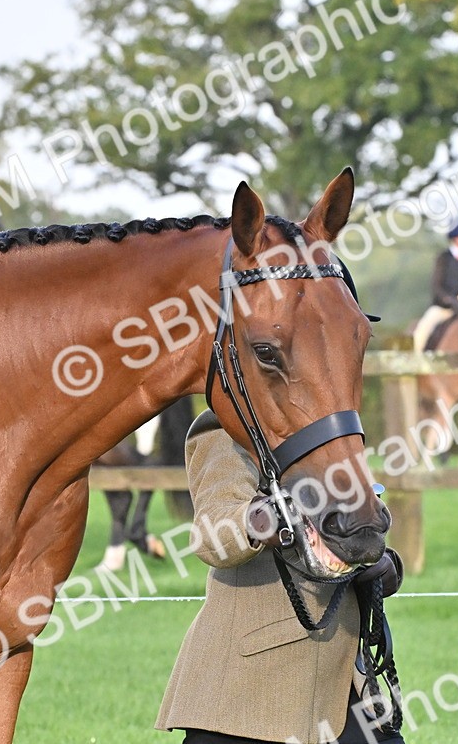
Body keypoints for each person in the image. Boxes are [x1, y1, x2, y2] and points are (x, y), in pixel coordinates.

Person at [156, 269, 404, 744]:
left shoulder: (331, 441)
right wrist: (264, 519)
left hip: (343, 680)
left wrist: (379, 564)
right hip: (247, 693)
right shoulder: (223, 434)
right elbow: (212, 534)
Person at [412, 216, 458, 353]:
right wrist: (450, 301)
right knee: (421, 332)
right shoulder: (443, 258)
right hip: (443, 309)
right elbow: (437, 287)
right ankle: (417, 364)